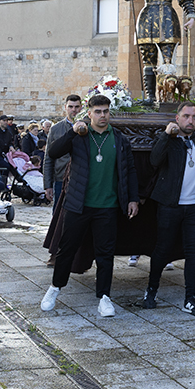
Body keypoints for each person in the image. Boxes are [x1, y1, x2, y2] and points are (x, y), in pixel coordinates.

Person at [40, 95, 140, 318]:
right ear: (89, 112)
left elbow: (129, 170)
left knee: (105, 254)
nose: (102, 115)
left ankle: (104, 298)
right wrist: (72, 131)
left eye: (105, 111)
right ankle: (55, 288)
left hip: (108, 206)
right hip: (79, 205)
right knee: (66, 249)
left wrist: (133, 198)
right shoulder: (80, 135)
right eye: (97, 111)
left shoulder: (119, 138)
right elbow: (54, 152)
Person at [137, 102, 195, 316]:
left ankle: (190, 298)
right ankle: (151, 290)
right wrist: (166, 135)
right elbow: (154, 160)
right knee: (162, 248)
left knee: (193, 252)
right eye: (186, 116)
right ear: (177, 118)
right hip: (169, 205)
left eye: (194, 117)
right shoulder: (169, 140)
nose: (190, 121)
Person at [44, 94, 82, 265]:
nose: (74, 110)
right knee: (58, 216)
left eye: (77, 107)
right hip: (61, 178)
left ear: (81, 107)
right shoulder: (56, 129)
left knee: (78, 218)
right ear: (65, 107)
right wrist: (48, 185)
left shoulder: (88, 126)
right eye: (71, 107)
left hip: (81, 178)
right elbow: (48, 158)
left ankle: (77, 254)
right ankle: (56, 252)